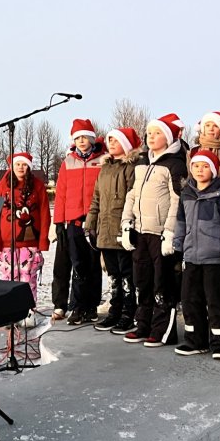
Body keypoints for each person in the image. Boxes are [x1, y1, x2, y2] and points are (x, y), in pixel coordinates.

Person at [120, 115, 188, 347]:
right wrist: (127, 222)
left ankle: (163, 330)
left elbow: (177, 200)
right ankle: (143, 325)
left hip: (160, 233)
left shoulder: (175, 164)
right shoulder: (141, 162)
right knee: (143, 280)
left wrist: (170, 232)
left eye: (157, 133)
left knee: (162, 282)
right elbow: (132, 194)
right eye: (149, 133)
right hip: (141, 231)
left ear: (167, 138)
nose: (151, 137)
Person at [172, 149, 220, 359]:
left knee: (216, 301)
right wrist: (178, 246)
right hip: (191, 257)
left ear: (213, 170)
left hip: (215, 258)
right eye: (196, 166)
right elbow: (180, 223)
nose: (200, 170)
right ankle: (195, 340)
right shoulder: (186, 194)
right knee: (190, 300)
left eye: (205, 166)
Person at [85, 127, 143, 333]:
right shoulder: (104, 169)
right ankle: (115, 310)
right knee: (112, 275)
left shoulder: (132, 168)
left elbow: (133, 197)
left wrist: (129, 225)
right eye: (109, 140)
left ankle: (129, 312)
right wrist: (90, 223)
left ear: (125, 144)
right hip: (105, 229)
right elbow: (96, 199)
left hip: (122, 229)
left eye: (115, 140)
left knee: (126, 274)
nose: (111, 144)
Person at [52, 119, 106, 325]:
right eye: (77, 138)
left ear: (92, 138)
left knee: (93, 265)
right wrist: (59, 222)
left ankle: (91, 306)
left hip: (94, 221)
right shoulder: (68, 162)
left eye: (85, 137)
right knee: (78, 265)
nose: (81, 141)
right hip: (73, 221)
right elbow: (61, 194)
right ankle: (76, 306)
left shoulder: (102, 160)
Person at [0, 152, 51, 316]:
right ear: (12, 166)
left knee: (27, 279)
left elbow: (45, 213)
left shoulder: (37, 186)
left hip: (29, 244)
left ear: (29, 167)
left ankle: (28, 312)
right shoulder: (3, 186)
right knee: (9, 279)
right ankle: (8, 313)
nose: (20, 168)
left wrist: (43, 241)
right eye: (17, 164)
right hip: (7, 244)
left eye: (24, 165)